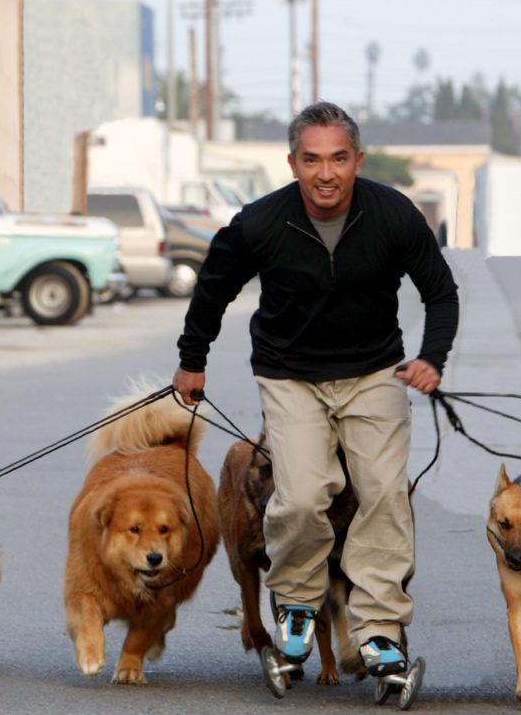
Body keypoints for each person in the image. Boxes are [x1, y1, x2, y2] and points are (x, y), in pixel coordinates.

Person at [173, 101, 459, 679]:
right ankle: (299, 605)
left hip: (374, 372)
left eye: (337, 159)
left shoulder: (394, 215)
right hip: (289, 375)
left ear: (357, 160)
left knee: (383, 494)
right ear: (292, 162)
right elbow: (213, 287)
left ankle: (378, 629)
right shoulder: (260, 222)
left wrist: (432, 357)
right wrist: (191, 360)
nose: (324, 173)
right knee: (303, 496)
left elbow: (441, 292)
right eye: (311, 160)